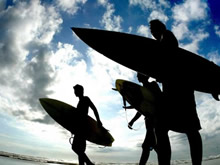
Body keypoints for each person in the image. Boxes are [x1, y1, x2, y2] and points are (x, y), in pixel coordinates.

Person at [149, 19, 203, 165]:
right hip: (171, 91)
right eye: (151, 29)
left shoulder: (166, 36)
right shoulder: (163, 39)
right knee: (162, 128)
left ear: (160, 28)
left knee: (189, 130)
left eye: (153, 28)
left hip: (180, 91)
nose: (152, 32)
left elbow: (170, 56)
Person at [127, 73, 161, 165]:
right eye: (137, 75)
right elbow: (141, 109)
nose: (137, 76)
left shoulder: (153, 85)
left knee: (146, 146)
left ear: (146, 76)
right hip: (149, 122)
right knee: (154, 145)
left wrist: (132, 121)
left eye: (139, 74)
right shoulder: (141, 91)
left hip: (155, 121)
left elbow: (158, 101)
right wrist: (132, 120)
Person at [72, 84, 102, 165]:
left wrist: (98, 120)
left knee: (75, 147)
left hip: (82, 127)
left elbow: (94, 109)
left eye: (75, 90)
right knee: (80, 150)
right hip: (80, 127)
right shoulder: (80, 101)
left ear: (80, 91)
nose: (74, 92)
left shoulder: (85, 99)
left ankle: (89, 163)